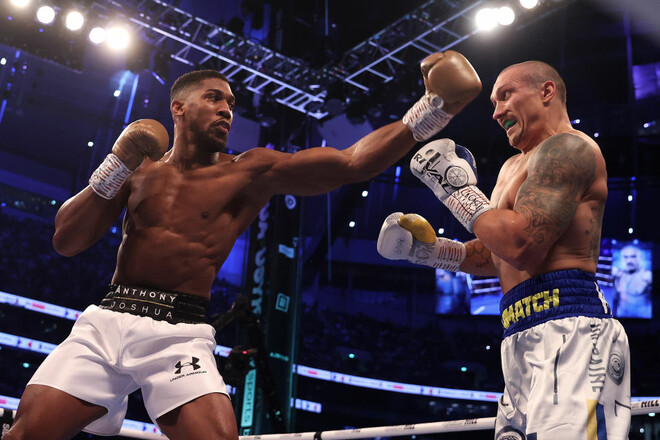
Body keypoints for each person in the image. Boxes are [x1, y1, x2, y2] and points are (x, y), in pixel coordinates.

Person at [4, 50, 482, 440]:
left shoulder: (248, 171)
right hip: (107, 321)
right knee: (26, 435)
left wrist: (433, 108)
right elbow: (67, 239)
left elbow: (351, 163)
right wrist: (117, 162)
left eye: (230, 103)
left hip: (178, 333)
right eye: (214, 98)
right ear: (178, 108)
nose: (227, 110)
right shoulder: (138, 170)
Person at [378, 61, 631, 439]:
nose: (496, 113)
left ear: (546, 92)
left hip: (572, 328)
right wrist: (431, 252)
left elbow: (523, 246)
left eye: (506, 96)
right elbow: (499, 254)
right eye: (494, 103)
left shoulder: (569, 148)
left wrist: (455, 188)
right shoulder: (511, 167)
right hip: (517, 331)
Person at [613, 244, 652, 318]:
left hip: (641, 319)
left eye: (633, 256)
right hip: (621, 317)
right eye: (626, 257)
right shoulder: (619, 275)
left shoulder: (646, 275)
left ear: (640, 258)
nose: (629, 261)